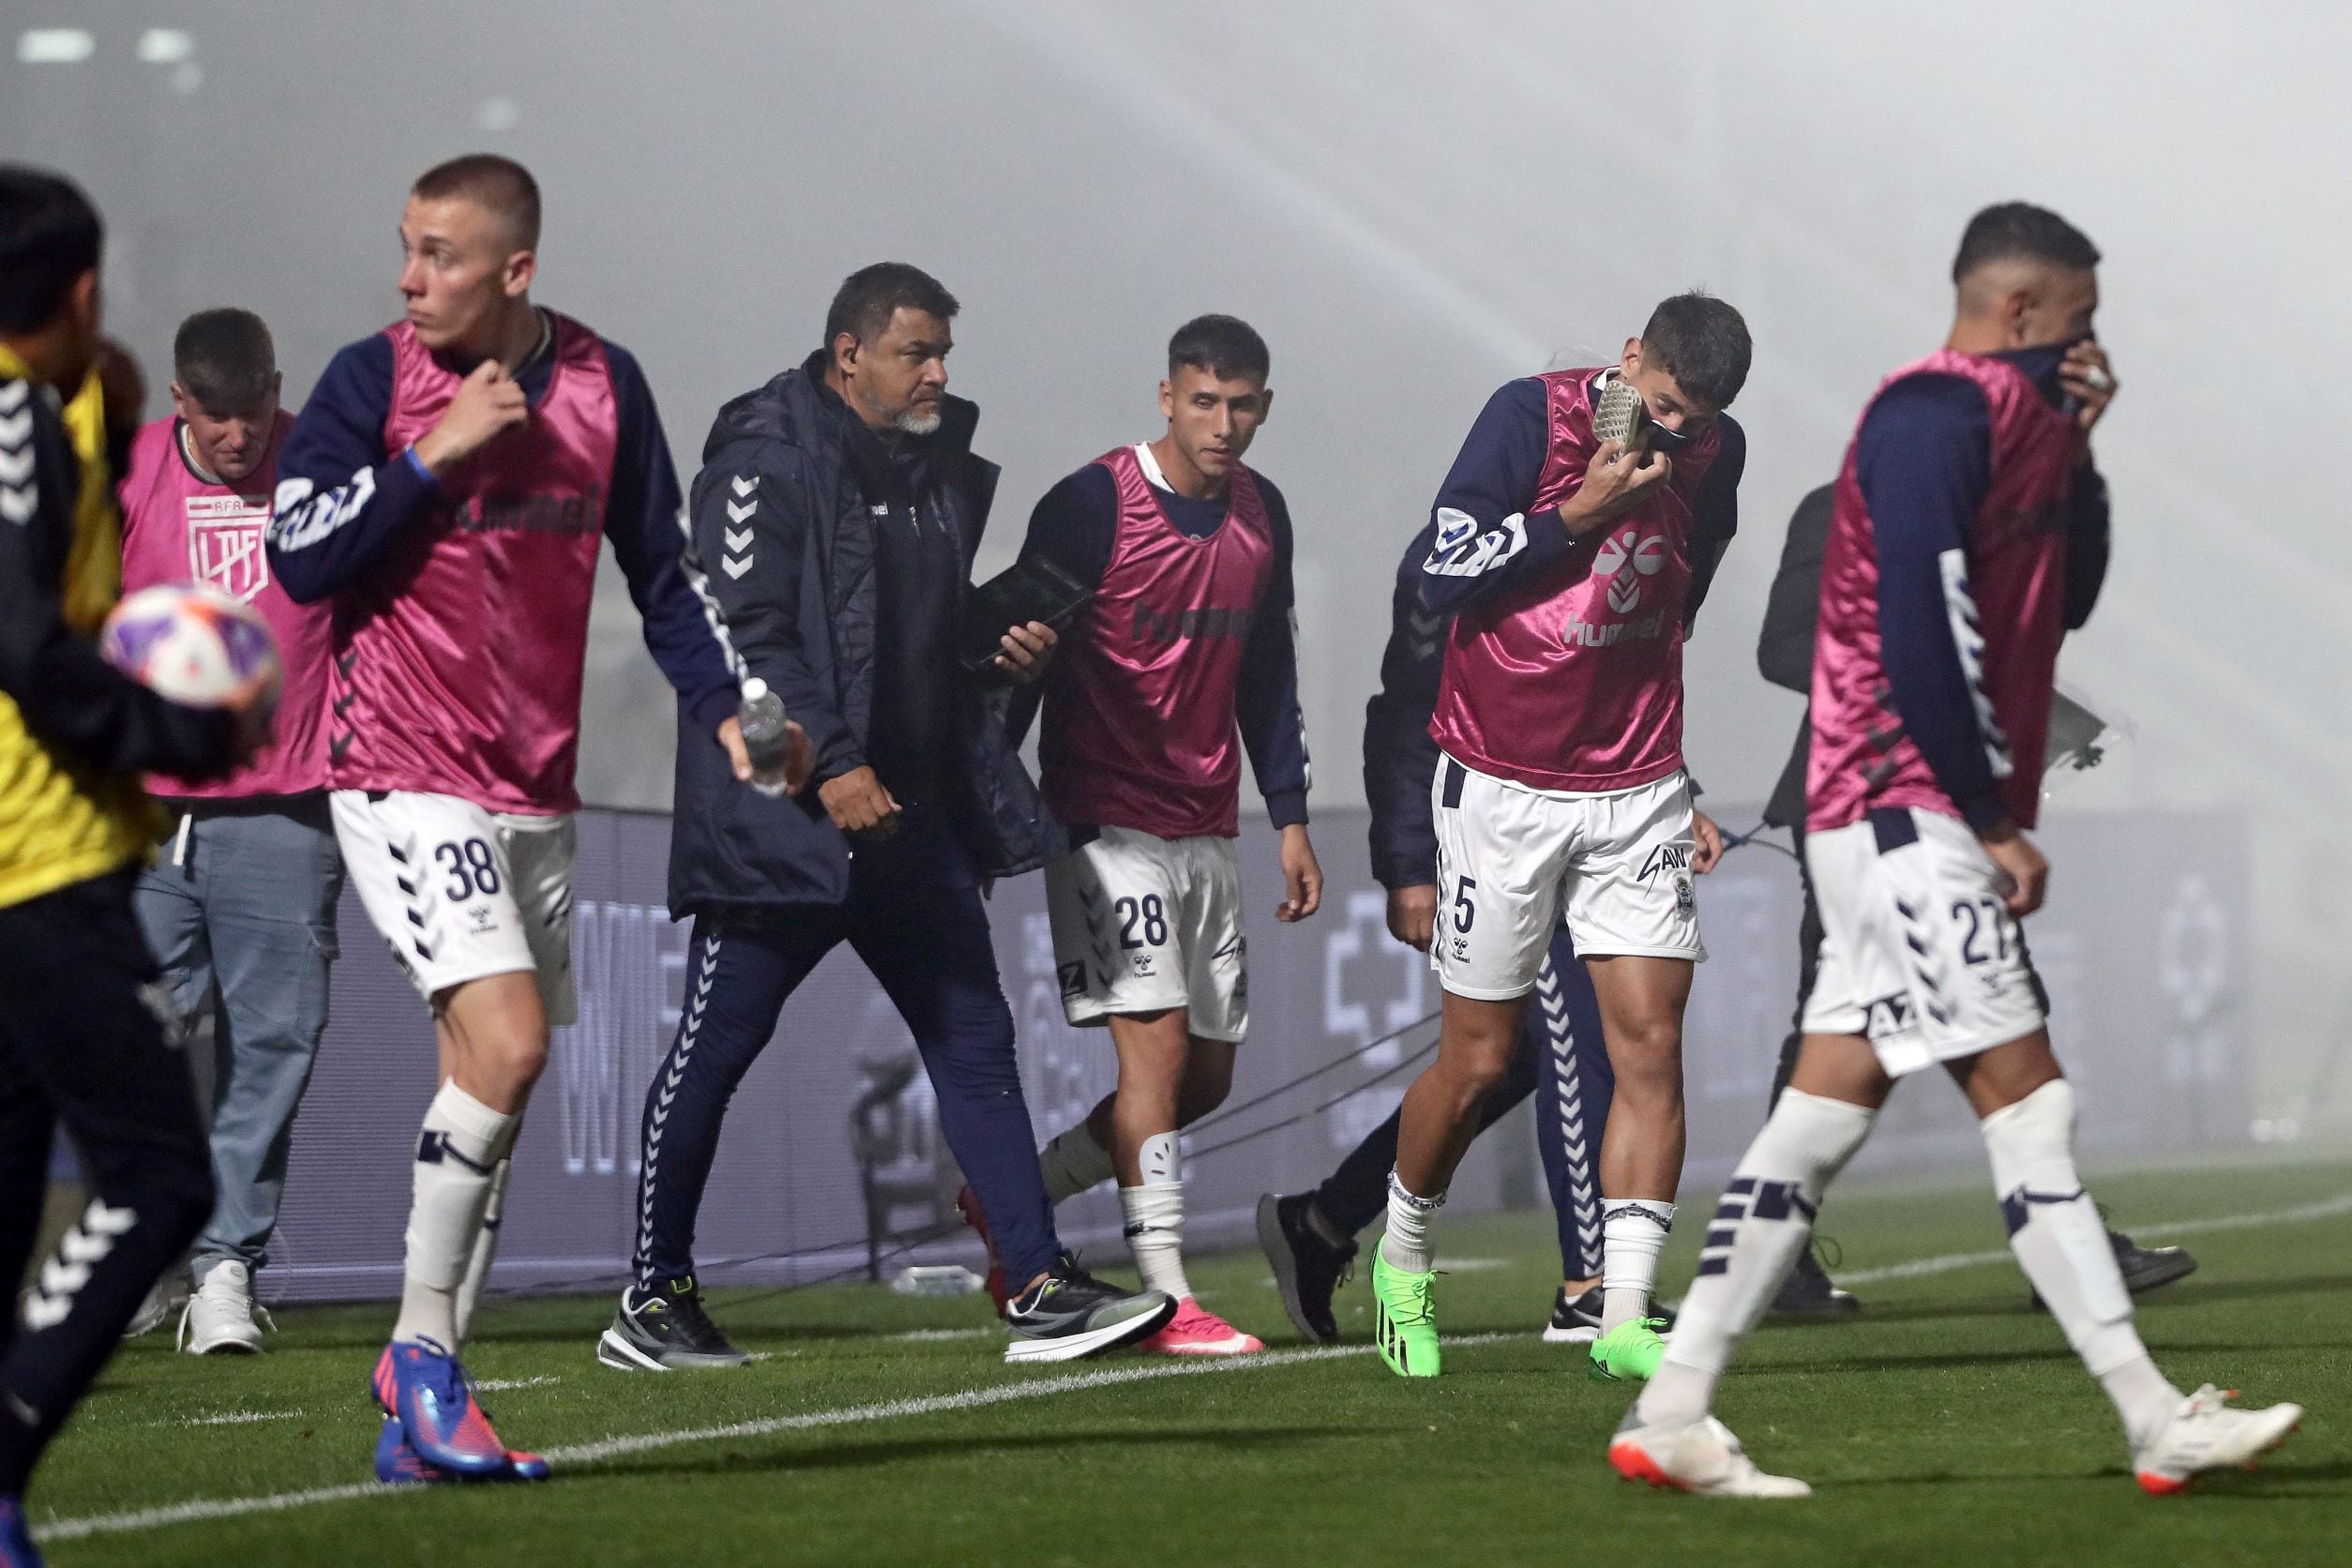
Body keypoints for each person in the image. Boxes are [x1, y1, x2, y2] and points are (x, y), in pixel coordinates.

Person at [1607, 203, 2299, 1499]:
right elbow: (1918, 623)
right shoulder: (1928, 418)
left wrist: (2082, 454)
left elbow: (2066, 596)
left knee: (1812, 1126)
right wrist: (1986, 818)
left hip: (1897, 816)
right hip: (1897, 808)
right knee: (2031, 1106)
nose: (2089, 348)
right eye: (2078, 324)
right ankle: (2154, 1417)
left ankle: (1675, 1410)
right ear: (2022, 312)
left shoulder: (2028, 433)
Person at [266, 154, 754, 1484]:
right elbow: (300, 556)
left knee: (487, 1083)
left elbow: (665, 570)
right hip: (399, 764)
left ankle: (425, 1419)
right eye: (407, 249)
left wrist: (724, 706)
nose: (411, 278)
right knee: (514, 1044)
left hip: (533, 787)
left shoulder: (605, 385)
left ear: (516, 272)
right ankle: (420, 1361)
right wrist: (433, 454)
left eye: (440, 255)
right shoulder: (374, 384)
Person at [603, 263, 1173, 1374]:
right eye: (918, 351)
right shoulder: (764, 457)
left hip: (910, 820)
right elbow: (746, 634)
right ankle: (652, 1297)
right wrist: (833, 771)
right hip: (787, 823)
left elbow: (914, 635)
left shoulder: (932, 470)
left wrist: (995, 646)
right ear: (848, 352)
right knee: (717, 1047)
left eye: (944, 352)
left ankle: (1041, 1285)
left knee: (975, 1041)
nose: (938, 372)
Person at [1259, 415, 1738, 1346]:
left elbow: (1617, 686)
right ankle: (1586, 1281)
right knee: (1530, 1054)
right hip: (1495, 819)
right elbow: (1402, 711)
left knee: (1525, 1059)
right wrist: (1407, 865)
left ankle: (1322, 1219)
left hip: (1607, 812)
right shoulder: (1462, 563)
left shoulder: (1641, 523)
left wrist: (1681, 795)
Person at [1368, 294, 1750, 1381]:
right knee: (1481, 1060)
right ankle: (1403, 1257)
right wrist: (1574, 515)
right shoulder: (1529, 420)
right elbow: (1440, 572)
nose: (1676, 436)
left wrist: (1675, 778)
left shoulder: (1716, 453)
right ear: (1632, 360)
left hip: (1632, 785)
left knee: (1652, 1045)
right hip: (1498, 780)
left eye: (1699, 420)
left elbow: (1680, 605)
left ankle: (1620, 1311)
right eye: (1665, 407)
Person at [0, 165, 265, 1565]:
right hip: (34, 865)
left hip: (45, 854)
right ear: (86, 286)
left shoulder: (70, 403)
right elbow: (24, 644)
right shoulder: (14, 419)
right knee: (160, 1172)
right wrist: (179, 726)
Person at [1752, 483, 2192, 1319]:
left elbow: (2034, 627)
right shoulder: (1845, 509)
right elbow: (1783, 649)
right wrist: (1912, 666)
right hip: (1862, 808)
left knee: (1858, 1033)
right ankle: (2064, 1252)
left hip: (1946, 807)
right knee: (1933, 1026)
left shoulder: (1982, 517)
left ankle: (1773, 1260)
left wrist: (2045, 716)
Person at [972, 315, 1320, 1356]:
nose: (1223, 424)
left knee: (1202, 1077)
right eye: (1203, 401)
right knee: (1156, 1056)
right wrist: (991, 816)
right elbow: (1015, 659)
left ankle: (1015, 1198)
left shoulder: (1266, 517)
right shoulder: (1089, 505)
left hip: (1206, 821)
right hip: (1103, 817)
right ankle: (1168, 1296)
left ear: (1265, 406)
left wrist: (1290, 815)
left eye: (1242, 404)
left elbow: (1267, 676)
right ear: (1165, 397)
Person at [119, 308, 343, 1354]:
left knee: (272, 1046)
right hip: (142, 814)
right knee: (119, 1040)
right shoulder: (124, 476)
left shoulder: (326, 462)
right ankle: (148, 1248)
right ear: (179, 403)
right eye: (216, 421)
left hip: (286, 809)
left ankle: (224, 1269)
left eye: (253, 413)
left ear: (275, 391)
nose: (239, 440)